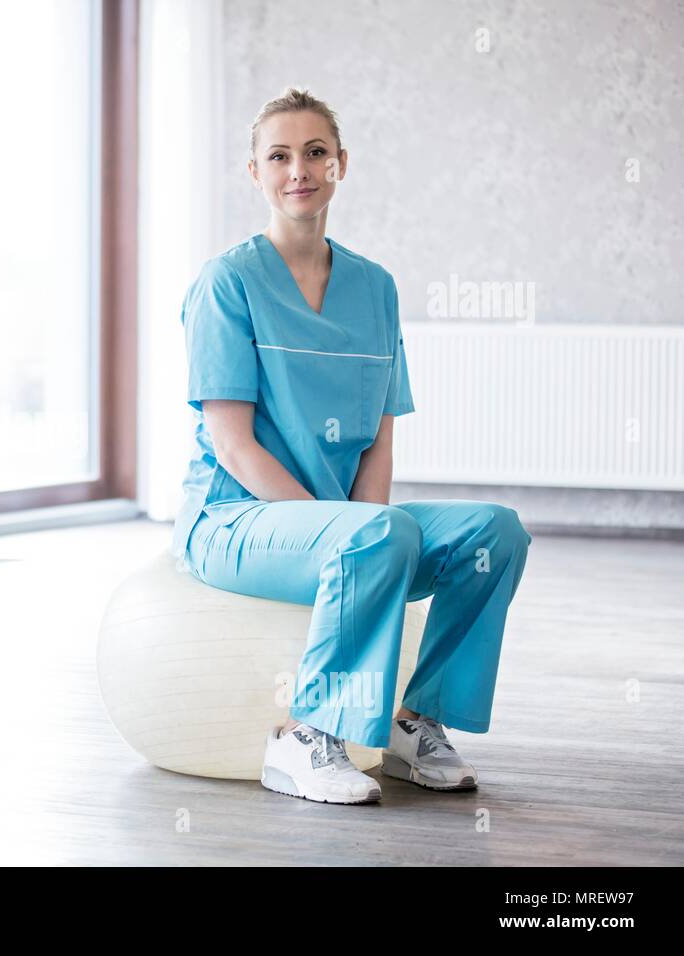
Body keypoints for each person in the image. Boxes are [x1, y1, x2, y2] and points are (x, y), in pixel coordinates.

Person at [174, 87, 532, 805]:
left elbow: (379, 438)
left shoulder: (376, 288)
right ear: (255, 172)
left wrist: (372, 534)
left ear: (341, 166)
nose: (298, 169)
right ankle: (305, 734)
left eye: (314, 153)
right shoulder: (228, 284)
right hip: (236, 520)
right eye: (279, 156)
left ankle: (413, 718)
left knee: (496, 531)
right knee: (374, 535)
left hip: (342, 526)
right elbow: (234, 445)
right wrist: (347, 532)